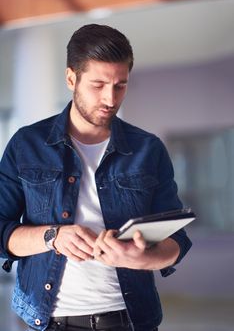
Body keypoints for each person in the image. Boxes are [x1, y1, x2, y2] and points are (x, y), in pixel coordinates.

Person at [0, 24, 192, 331]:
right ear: (71, 79)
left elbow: (176, 240)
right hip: (48, 321)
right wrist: (53, 237)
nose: (110, 98)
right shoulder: (26, 145)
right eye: (98, 85)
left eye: (120, 85)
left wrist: (139, 259)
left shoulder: (148, 148)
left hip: (131, 321)